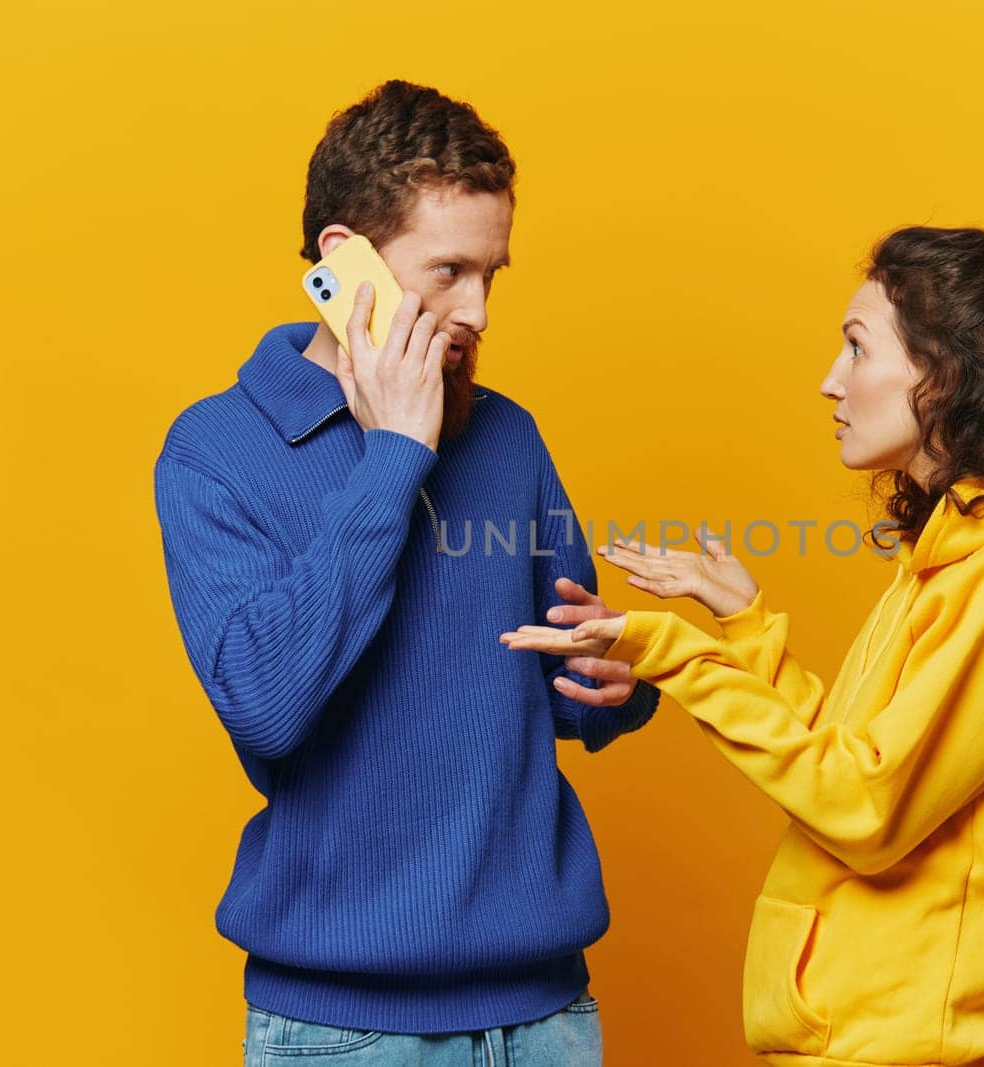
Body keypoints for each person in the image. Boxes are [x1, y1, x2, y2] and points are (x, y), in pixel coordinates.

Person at [502, 227, 984, 1067]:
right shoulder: (961, 551)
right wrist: (746, 626)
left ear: (947, 374)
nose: (831, 381)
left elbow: (867, 808)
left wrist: (670, 653)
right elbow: (859, 762)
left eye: (858, 348)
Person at [153, 79, 657, 1066]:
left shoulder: (506, 438)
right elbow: (263, 703)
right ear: (344, 263)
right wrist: (395, 456)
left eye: (491, 274)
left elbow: (570, 684)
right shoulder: (212, 450)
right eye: (447, 271)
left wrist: (622, 683)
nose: (474, 309)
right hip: (341, 1030)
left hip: (546, 1017)